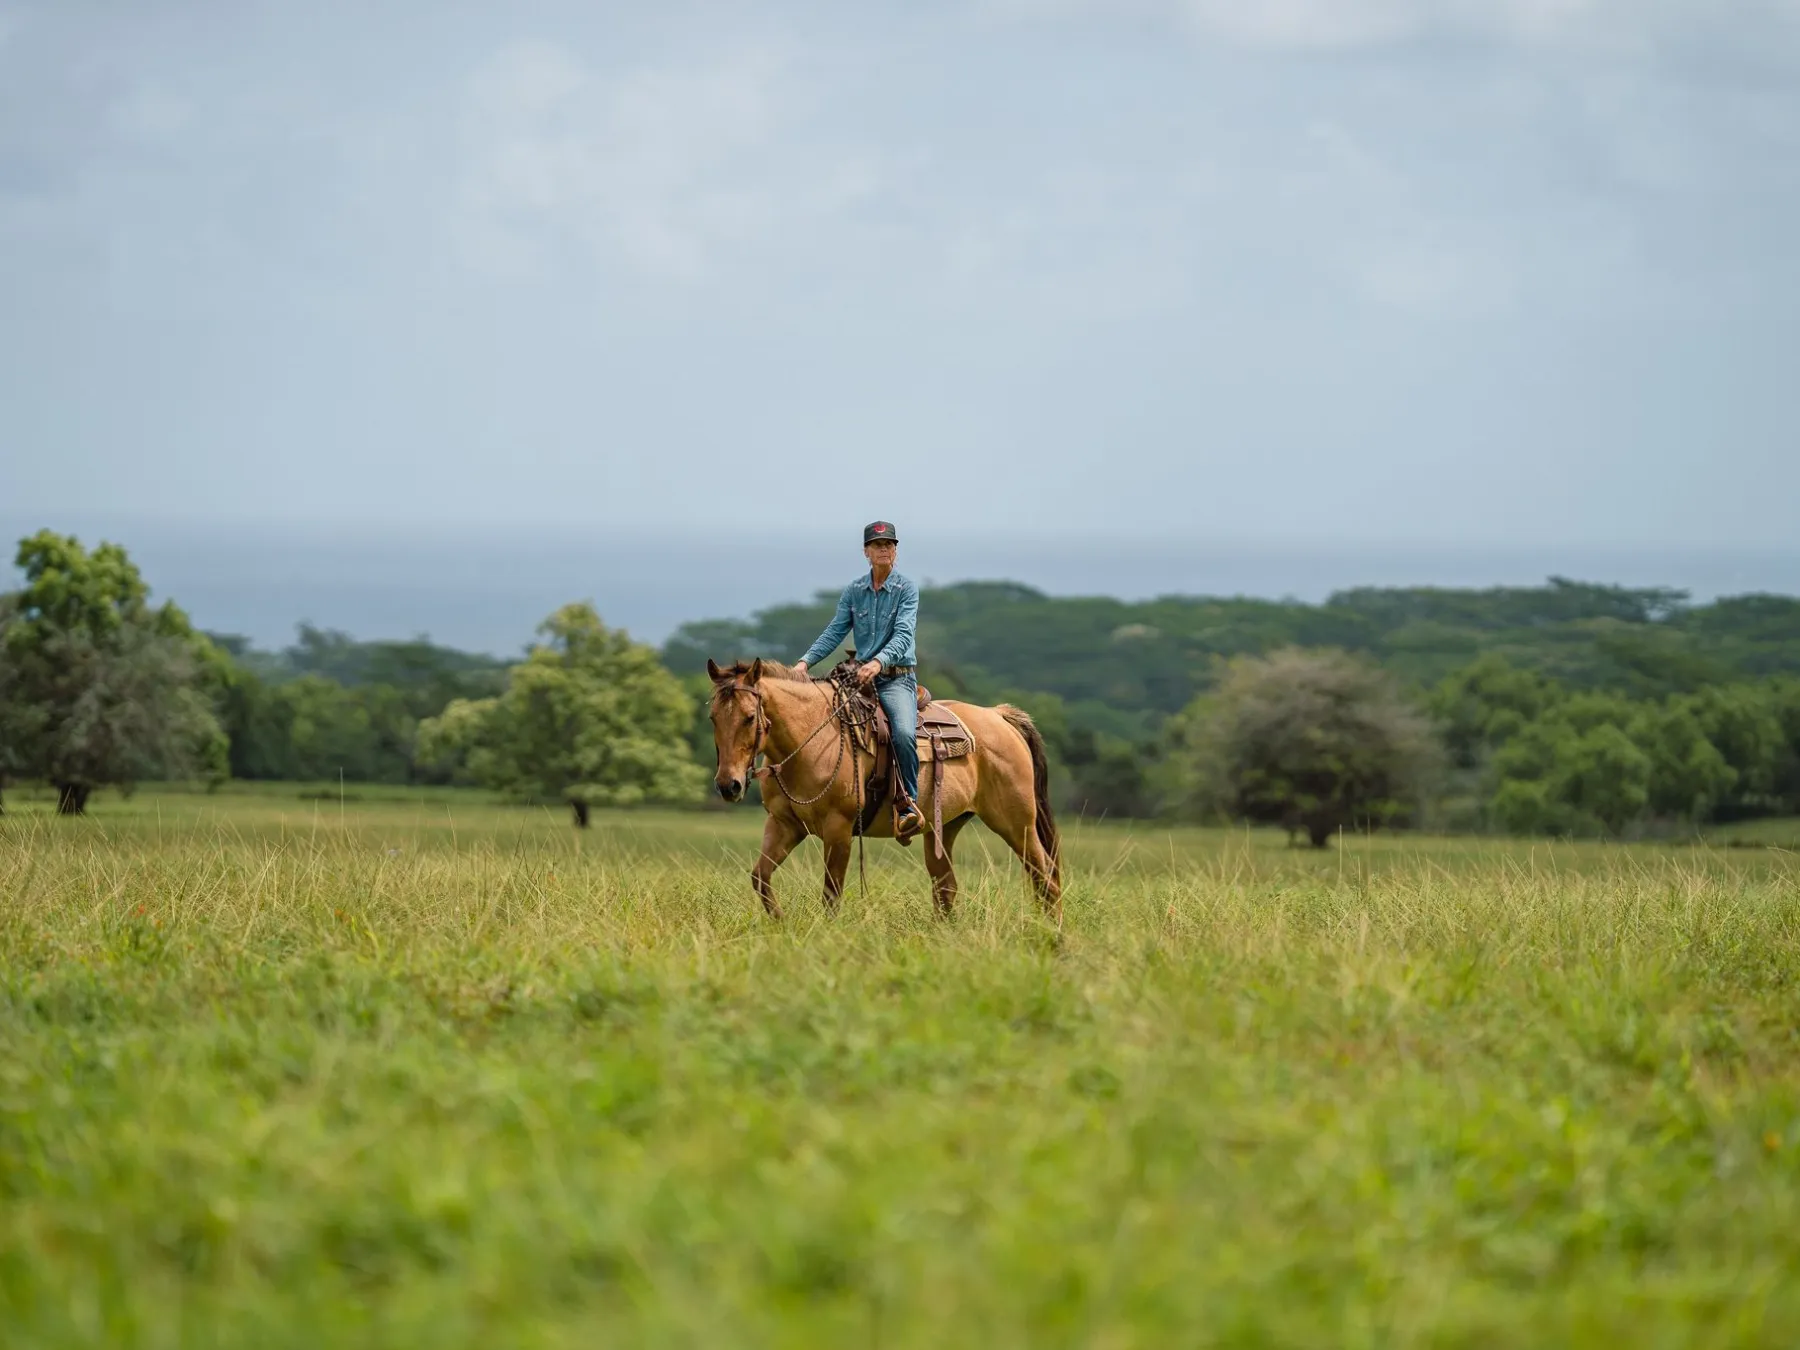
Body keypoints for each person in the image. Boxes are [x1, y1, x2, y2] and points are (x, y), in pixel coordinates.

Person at [794, 520, 923, 840]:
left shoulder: (907, 589)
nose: (885, 550)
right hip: (858, 680)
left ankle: (908, 805)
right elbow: (835, 630)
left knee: (904, 733)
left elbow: (905, 634)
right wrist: (804, 662)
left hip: (896, 679)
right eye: (878, 545)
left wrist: (879, 662)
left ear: (896, 551)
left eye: (890, 545)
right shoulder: (854, 591)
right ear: (866, 552)